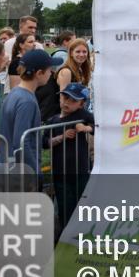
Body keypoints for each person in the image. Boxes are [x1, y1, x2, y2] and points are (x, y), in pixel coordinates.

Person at [0, 50, 61, 173]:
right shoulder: (26, 101)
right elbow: (22, 142)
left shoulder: (15, 93)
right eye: (49, 69)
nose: (52, 72)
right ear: (39, 73)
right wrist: (35, 170)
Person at [45, 83, 94, 232]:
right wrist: (62, 137)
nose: (66, 102)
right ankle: (66, 239)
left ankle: (84, 235)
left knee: (83, 206)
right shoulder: (53, 120)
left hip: (81, 171)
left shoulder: (82, 115)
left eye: (72, 100)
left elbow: (98, 126)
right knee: (65, 207)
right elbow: (44, 142)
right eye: (64, 97)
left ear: (81, 104)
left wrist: (86, 128)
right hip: (61, 173)